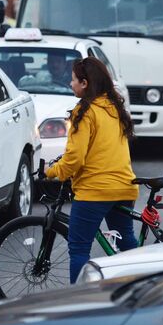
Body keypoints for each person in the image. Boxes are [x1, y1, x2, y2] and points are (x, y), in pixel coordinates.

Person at [44, 56, 138, 283]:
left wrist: (52, 171)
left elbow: (75, 158)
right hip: (125, 187)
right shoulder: (115, 107)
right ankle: (140, 287)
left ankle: (79, 302)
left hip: (95, 190)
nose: (71, 84)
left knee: (79, 249)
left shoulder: (85, 111)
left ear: (85, 83)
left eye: (74, 79)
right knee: (128, 247)